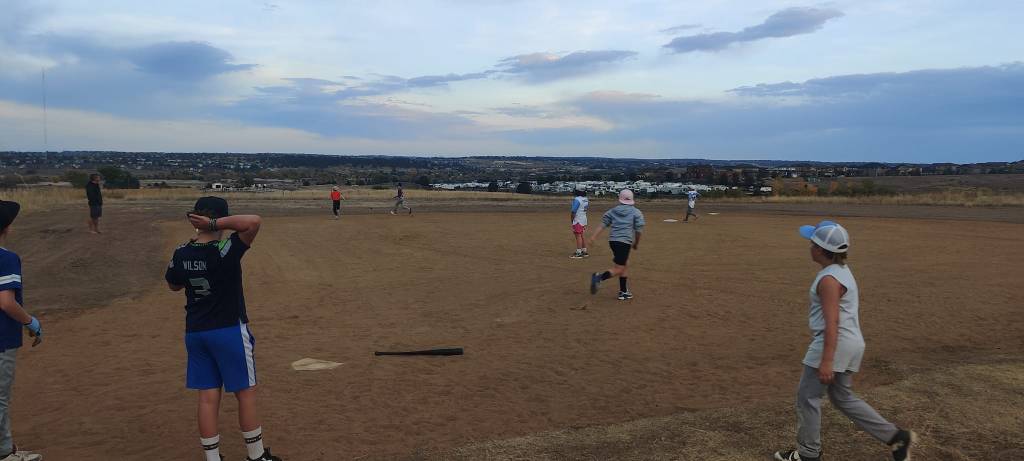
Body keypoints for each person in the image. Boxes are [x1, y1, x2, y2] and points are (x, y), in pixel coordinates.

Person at [774, 220, 915, 461]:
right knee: (842, 397)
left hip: (833, 344)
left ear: (820, 249)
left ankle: (808, 454)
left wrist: (827, 360)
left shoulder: (829, 280)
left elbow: (832, 323)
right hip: (851, 343)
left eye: (812, 243)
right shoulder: (841, 271)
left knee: (807, 397)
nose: (809, 246)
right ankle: (896, 437)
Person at [165, 197, 282, 461]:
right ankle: (256, 456)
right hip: (228, 330)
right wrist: (216, 224)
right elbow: (253, 222)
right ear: (220, 220)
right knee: (245, 393)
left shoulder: (182, 251)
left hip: (196, 332)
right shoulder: (226, 248)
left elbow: (173, 285)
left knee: (207, 396)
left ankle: (213, 458)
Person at [0, 200, 44, 461]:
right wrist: (30, 322)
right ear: (7, 227)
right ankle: (4, 452)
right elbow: (5, 301)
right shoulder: (6, 258)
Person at [588, 189, 645, 300]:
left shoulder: (612, 211)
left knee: (625, 264)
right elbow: (639, 230)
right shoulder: (636, 212)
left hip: (613, 242)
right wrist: (636, 243)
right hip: (624, 243)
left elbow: (603, 224)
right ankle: (599, 278)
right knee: (619, 268)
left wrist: (593, 237)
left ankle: (623, 291)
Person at [570, 189, 590, 259]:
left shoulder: (577, 199)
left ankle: (579, 252)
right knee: (581, 235)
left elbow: (573, 211)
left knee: (578, 235)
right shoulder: (586, 199)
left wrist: (572, 220)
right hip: (584, 218)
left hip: (578, 219)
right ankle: (584, 251)